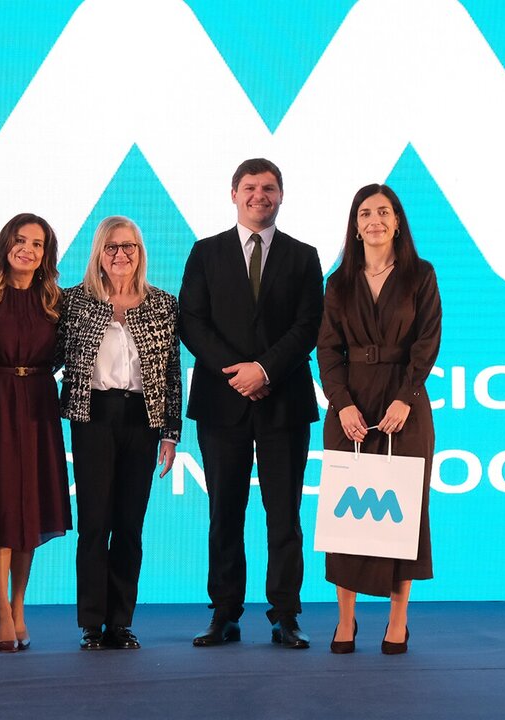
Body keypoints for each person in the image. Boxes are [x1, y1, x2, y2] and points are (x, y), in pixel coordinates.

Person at [180, 158, 324, 649]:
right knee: (225, 512)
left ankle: (286, 614)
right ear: (233, 194)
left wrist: (264, 370)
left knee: (284, 515)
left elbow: (308, 325)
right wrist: (239, 373)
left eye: (268, 188)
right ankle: (224, 613)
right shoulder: (205, 252)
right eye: (249, 187)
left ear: (281, 195)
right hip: (222, 403)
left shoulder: (304, 256)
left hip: (284, 401)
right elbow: (192, 322)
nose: (259, 195)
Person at [316, 183, 441, 655]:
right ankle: (345, 620)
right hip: (349, 405)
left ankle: (398, 620)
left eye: (384, 212)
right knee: (346, 515)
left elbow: (427, 342)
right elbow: (327, 350)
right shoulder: (337, 282)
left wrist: (406, 398)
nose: (375, 221)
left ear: (397, 222)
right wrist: (341, 403)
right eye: (366, 213)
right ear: (355, 225)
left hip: (405, 405)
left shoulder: (421, 275)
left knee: (403, 513)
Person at [58, 215, 182, 651]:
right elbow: (49, 356)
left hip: (142, 420)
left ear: (140, 253)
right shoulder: (74, 301)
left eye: (129, 246)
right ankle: (92, 623)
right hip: (92, 416)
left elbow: (171, 373)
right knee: (94, 523)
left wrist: (171, 433)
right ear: (98, 254)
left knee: (130, 525)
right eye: (111, 247)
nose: (121, 254)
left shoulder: (162, 304)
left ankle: (120, 622)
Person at [0, 213, 72, 653]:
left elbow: (65, 353)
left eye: (37, 243)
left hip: (38, 403)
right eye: (19, 239)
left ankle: (18, 606)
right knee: (3, 505)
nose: (27, 249)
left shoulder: (55, 300)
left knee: (30, 505)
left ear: (46, 253)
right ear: (5, 244)